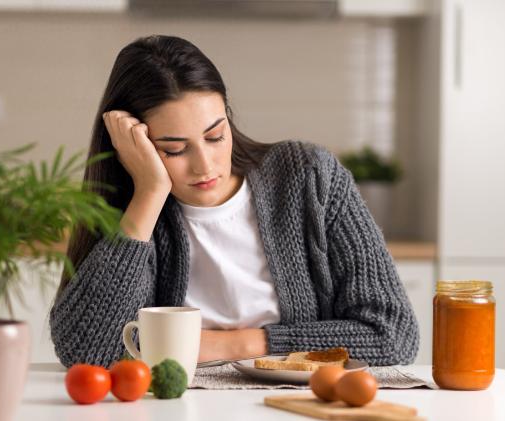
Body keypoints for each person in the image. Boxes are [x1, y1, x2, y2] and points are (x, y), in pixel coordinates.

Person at [49, 34, 419, 369]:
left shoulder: (309, 178)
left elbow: (392, 336)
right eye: (173, 149)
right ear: (135, 148)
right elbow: (87, 352)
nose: (205, 165)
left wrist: (229, 344)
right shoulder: (131, 210)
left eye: (215, 135)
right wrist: (149, 192)